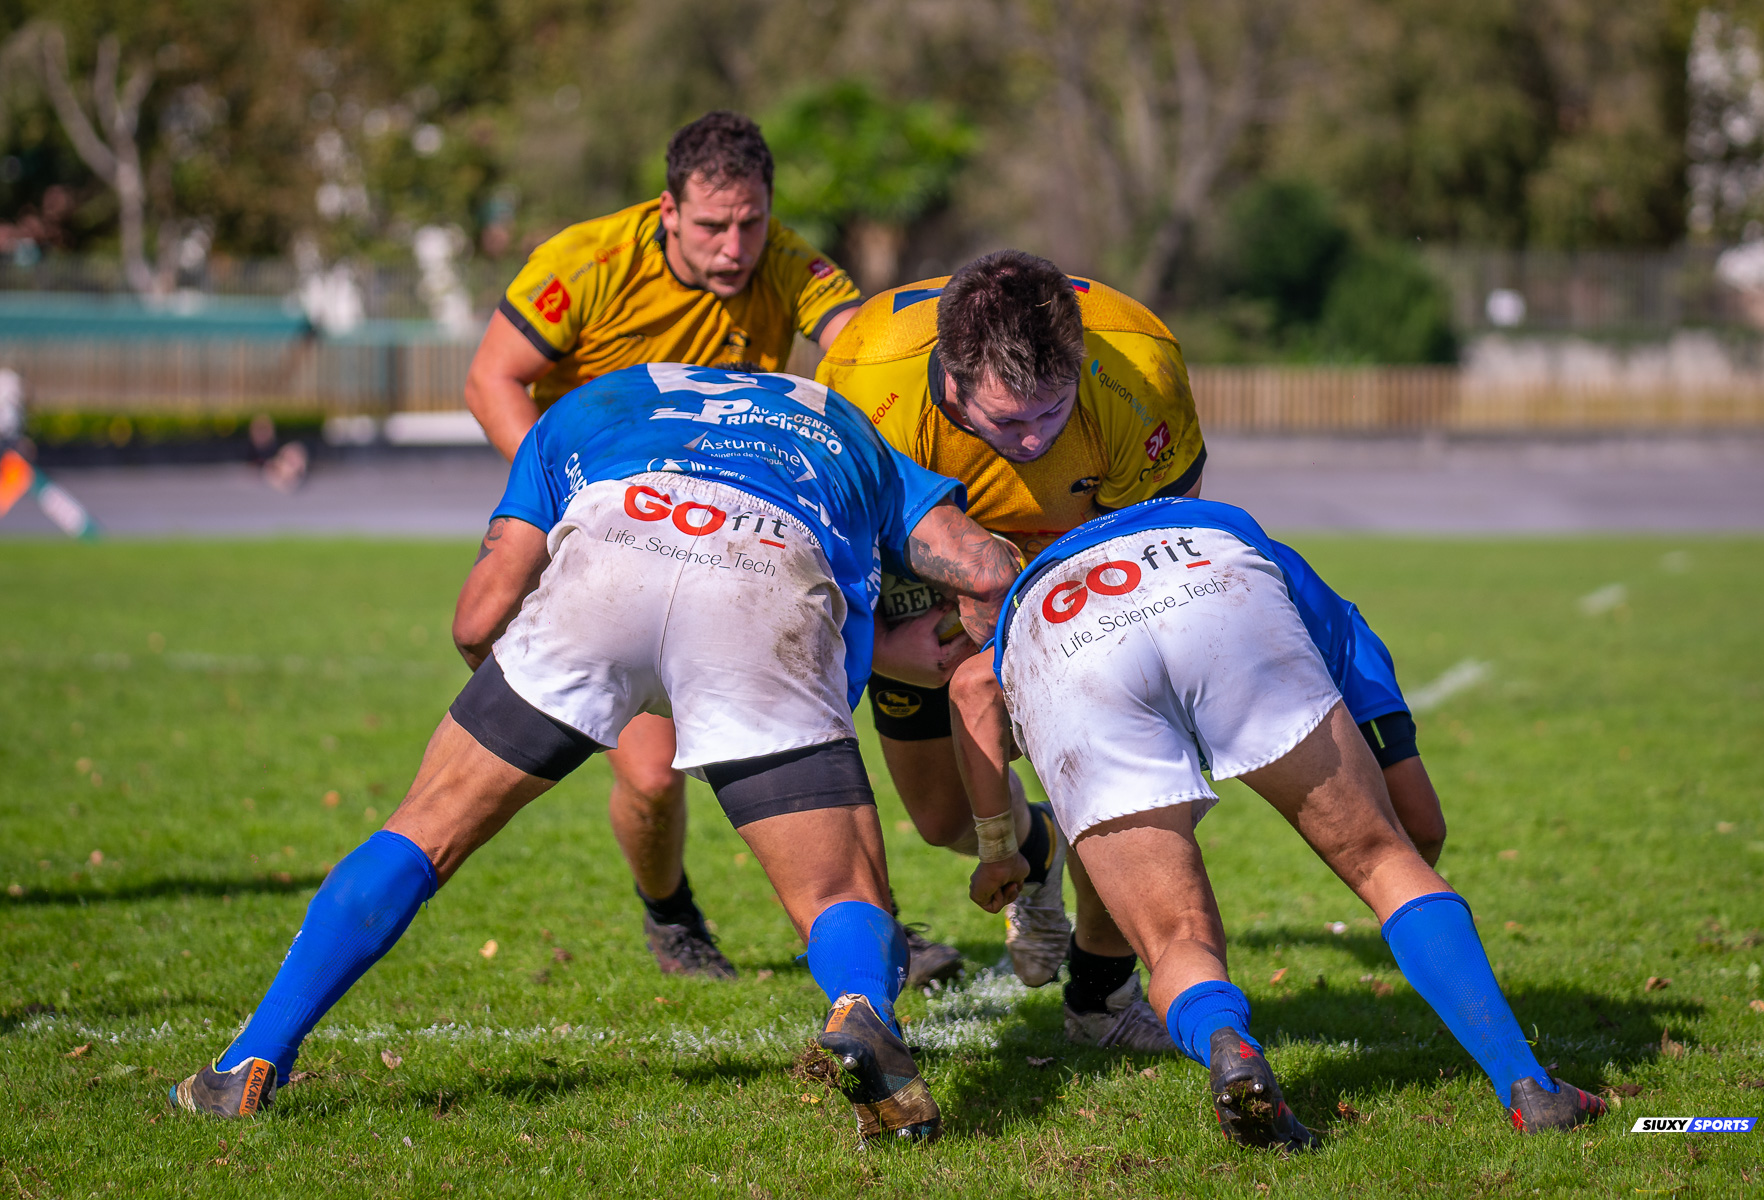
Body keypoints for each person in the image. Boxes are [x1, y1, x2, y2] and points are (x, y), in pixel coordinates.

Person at [169, 365, 1018, 1142]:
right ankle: (865, 1013)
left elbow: (475, 619)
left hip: (617, 547)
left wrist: (535, 699)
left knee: (423, 830)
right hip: (765, 576)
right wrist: (965, 657)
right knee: (840, 891)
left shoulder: (594, 404)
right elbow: (983, 567)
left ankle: (249, 1061)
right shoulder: (838, 420)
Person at [816, 252, 1447, 1047]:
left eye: (1053, 411)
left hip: (1086, 564)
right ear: (950, 381)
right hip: (923, 574)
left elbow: (1154, 558)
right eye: (1009, 421)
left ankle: (1101, 991)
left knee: (1108, 778)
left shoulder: (1137, 367)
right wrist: (884, 648)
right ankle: (1033, 854)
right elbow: (824, 560)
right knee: (943, 817)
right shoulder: (863, 384)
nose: (1037, 439)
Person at [950, 496, 1606, 1147]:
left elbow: (969, 689)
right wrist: (1402, 839)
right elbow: (1359, 659)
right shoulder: (1227, 528)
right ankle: (1530, 1088)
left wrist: (1000, 850)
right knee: (1384, 861)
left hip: (1060, 635)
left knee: (1175, 938)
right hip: (1212, 582)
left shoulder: (1016, 608)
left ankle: (1226, 1043)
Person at [461, 111, 879, 981]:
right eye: (712, 226)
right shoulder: (589, 262)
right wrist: (567, 497)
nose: (735, 247)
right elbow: (491, 375)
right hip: (617, 539)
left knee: (814, 731)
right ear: (667, 211)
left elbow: (866, 350)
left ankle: (866, 927)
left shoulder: (792, 264)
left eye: (751, 223)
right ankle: (671, 915)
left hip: (735, 542)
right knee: (652, 778)